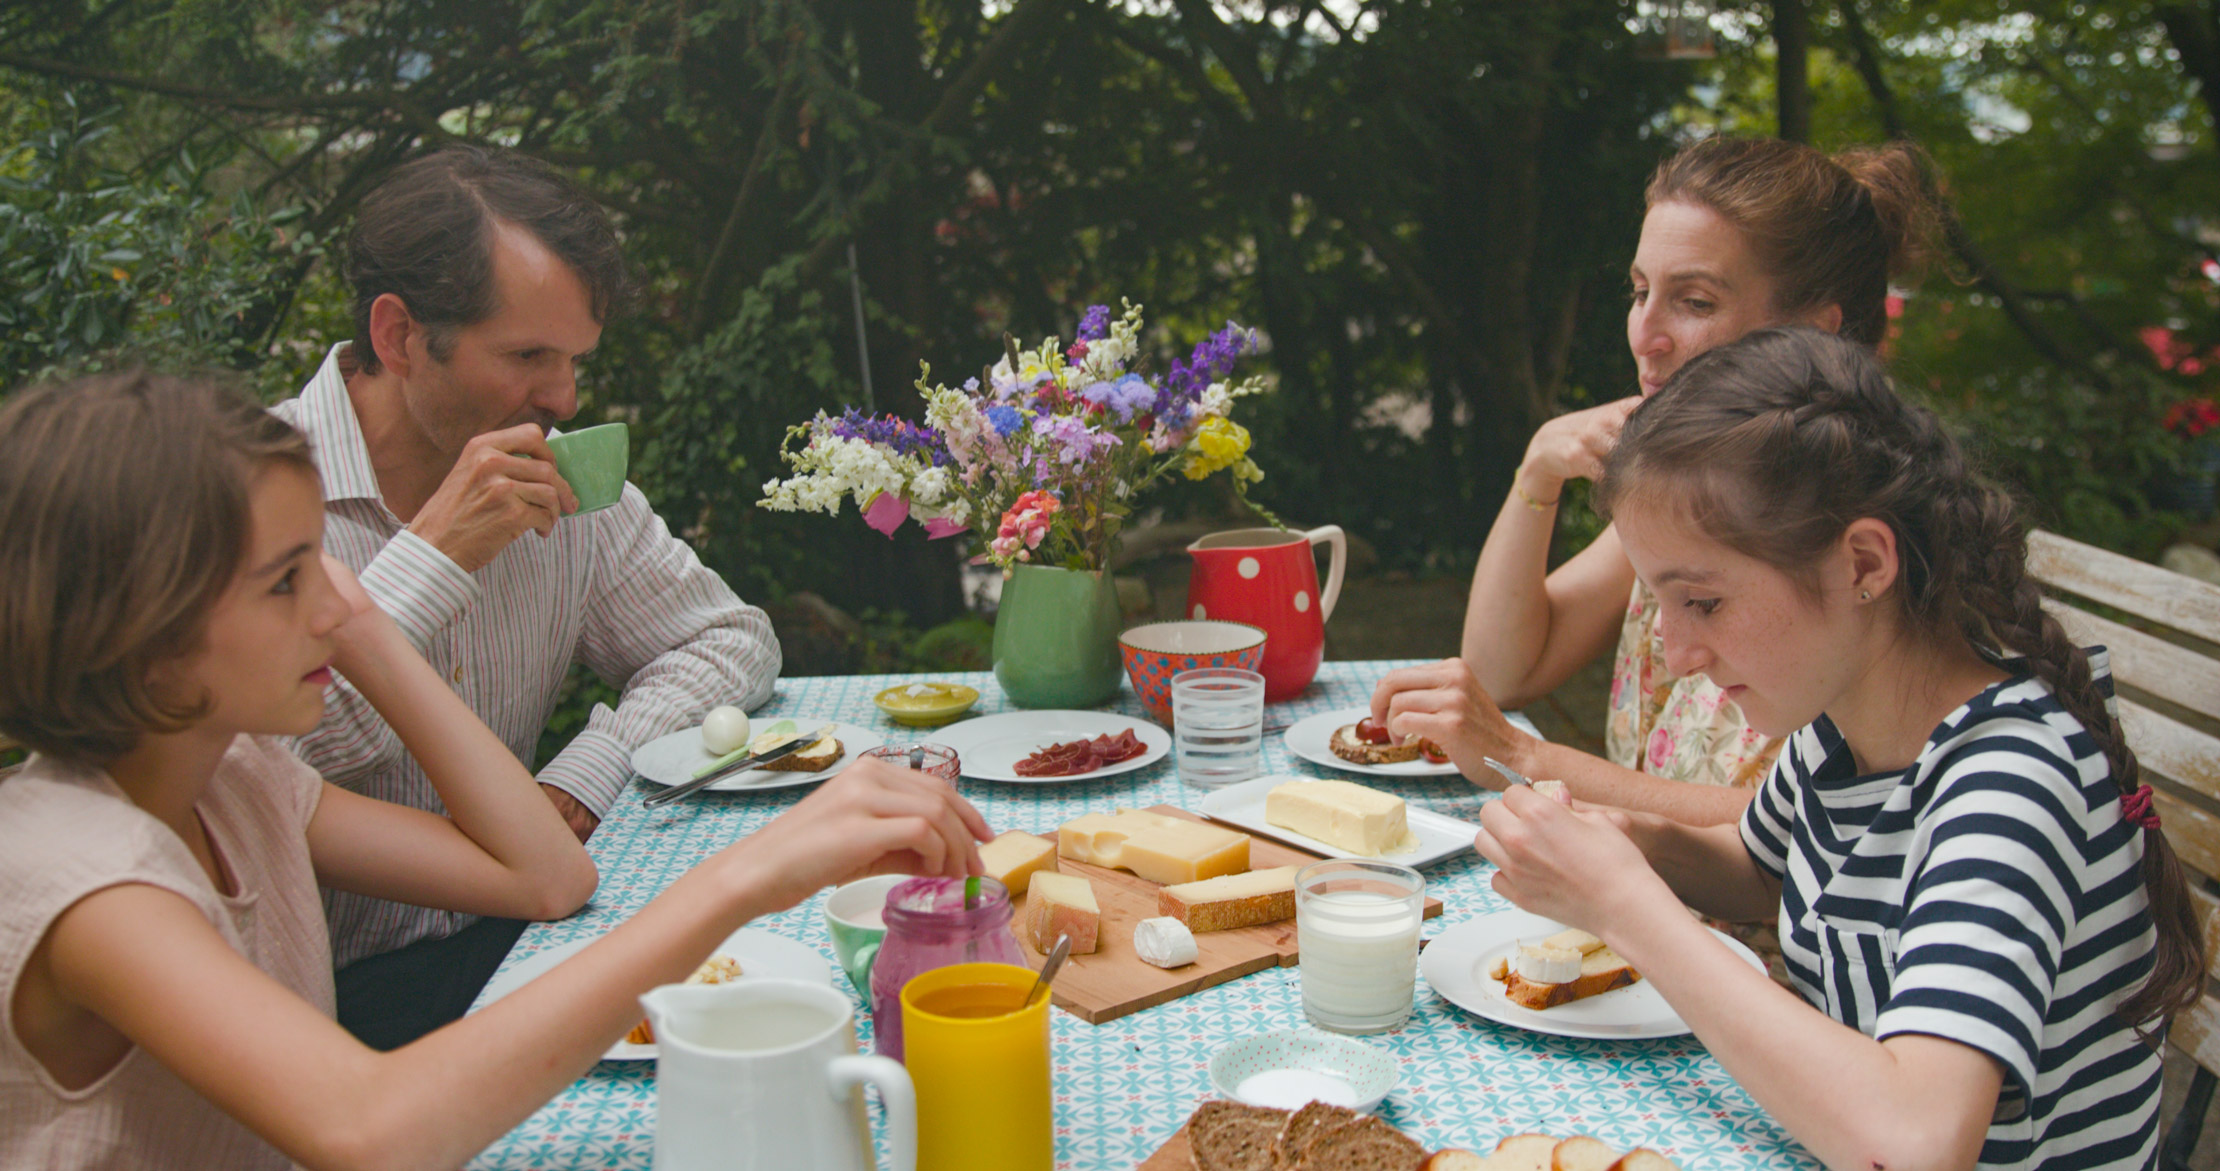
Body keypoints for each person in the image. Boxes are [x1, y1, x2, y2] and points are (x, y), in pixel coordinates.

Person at [0, 371, 987, 1170]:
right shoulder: (85, 872)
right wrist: (746, 875)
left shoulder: (239, 778)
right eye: (288, 578)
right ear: (146, 641)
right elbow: (369, 1129)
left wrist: (367, 637)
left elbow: (543, 877)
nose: (336, 594)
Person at [1475, 328, 2203, 1169]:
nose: (1676, 652)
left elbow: (1915, 1140)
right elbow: (1756, 866)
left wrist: (1622, 904)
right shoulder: (1843, 718)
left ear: (1863, 561)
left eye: (1703, 602)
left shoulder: (2010, 785)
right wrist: (1621, 843)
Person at [269, 144, 784, 1045]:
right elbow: (261, 761)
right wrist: (432, 561)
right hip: (329, 1011)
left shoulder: (561, 475)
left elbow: (731, 640)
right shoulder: (252, 498)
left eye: (577, 357)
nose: (564, 395)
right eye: (528, 354)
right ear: (397, 337)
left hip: (536, 934)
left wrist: (588, 774)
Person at [1375, 137, 1943, 824]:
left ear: (1815, 334)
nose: (1646, 334)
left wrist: (1524, 757)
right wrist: (1538, 472)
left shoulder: (1854, 536)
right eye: (1640, 292)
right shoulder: (1698, 493)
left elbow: (1794, 836)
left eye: (1694, 301)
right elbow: (1505, 669)